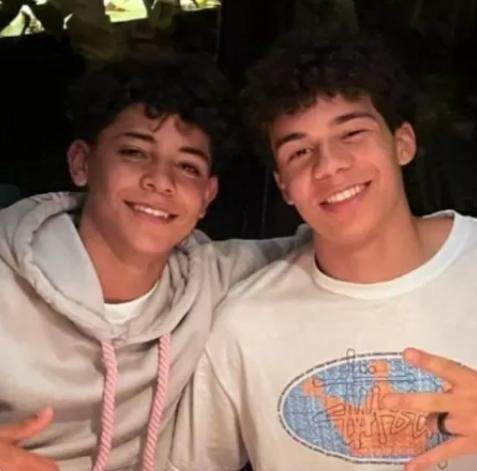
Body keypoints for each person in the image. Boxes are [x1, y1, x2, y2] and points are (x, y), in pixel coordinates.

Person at [168, 33, 477, 471]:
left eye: (352, 133)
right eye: (300, 151)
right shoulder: (244, 326)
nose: (329, 165)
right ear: (283, 186)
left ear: (403, 143)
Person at [0, 55, 307, 470]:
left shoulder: (216, 277)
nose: (161, 180)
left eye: (187, 166)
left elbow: (336, 243)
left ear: (207, 196)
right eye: (135, 152)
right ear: (82, 163)